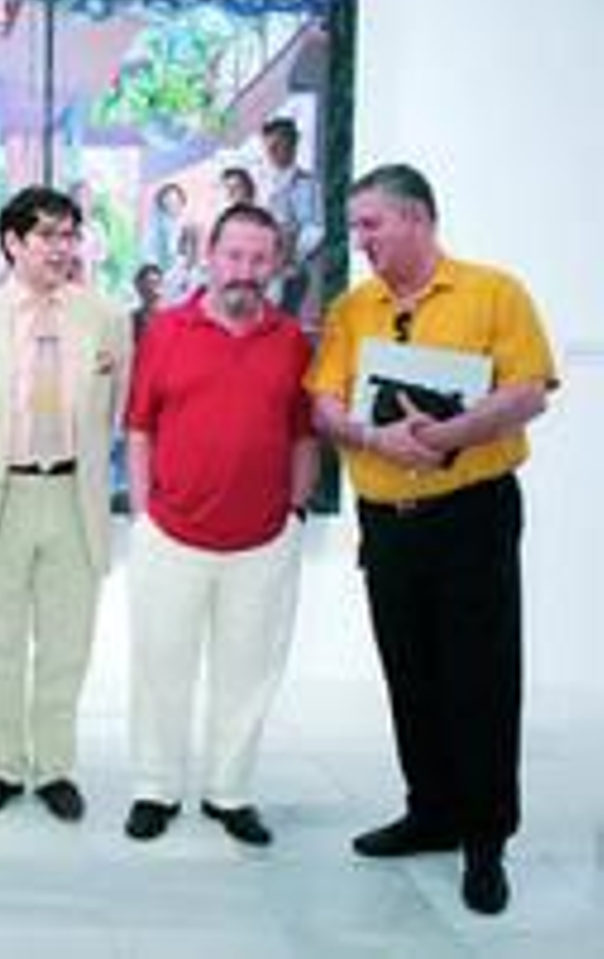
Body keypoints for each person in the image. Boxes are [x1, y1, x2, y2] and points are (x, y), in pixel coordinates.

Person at [307, 164, 557, 916]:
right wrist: (369, 436)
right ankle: (431, 813)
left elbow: (529, 390)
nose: (361, 240)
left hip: (471, 515)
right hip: (387, 523)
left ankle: (485, 841)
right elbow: (324, 403)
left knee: (481, 677)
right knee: (409, 671)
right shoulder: (354, 309)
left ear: (417, 218)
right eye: (357, 227)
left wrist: (450, 434)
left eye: (371, 224)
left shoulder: (494, 292)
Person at [122, 203, 317, 847]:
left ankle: (229, 792)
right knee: (160, 667)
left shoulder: (291, 341)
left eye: (260, 259)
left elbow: (303, 436)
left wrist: (295, 513)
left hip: (263, 541)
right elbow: (140, 427)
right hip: (170, 533)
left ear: (277, 264)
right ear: (210, 256)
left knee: (248, 672)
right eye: (234, 256)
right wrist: (144, 514)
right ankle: (155, 788)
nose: (245, 270)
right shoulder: (165, 331)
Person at [0, 186, 129, 824]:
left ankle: (54, 768)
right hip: (0, 499)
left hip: (74, 498)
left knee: (66, 645)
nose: (61, 247)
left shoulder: (106, 317)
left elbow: (119, 408)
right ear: (12, 242)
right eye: (47, 235)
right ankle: (3, 765)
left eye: (70, 234)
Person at [259, 117, 325, 325]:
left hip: (289, 271)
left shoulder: (305, 182)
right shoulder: (263, 182)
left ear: (293, 144)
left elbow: (315, 229)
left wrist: (290, 255)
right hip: (262, 268)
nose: (272, 152)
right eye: (269, 147)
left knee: (283, 327)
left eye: (278, 145)